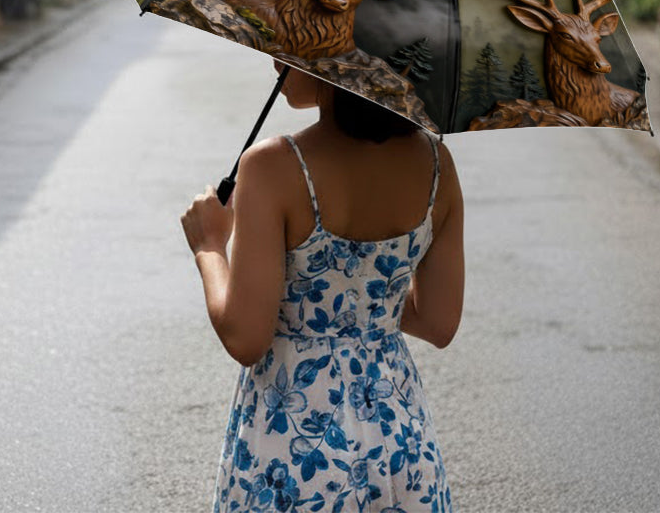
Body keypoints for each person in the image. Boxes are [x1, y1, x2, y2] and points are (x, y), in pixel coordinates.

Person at [182, 65, 464, 513]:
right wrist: (363, 289)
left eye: (299, 45)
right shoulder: (436, 164)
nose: (277, 60)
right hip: (400, 439)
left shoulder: (272, 166)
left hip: (296, 441)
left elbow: (245, 337)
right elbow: (438, 321)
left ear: (338, 62)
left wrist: (210, 247)